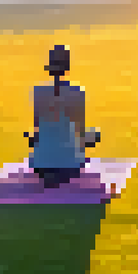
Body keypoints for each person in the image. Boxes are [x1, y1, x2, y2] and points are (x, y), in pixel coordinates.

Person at [27, 44, 102, 187]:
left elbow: (37, 128)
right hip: (70, 165)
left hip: (41, 165)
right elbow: (80, 132)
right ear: (67, 67)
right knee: (94, 134)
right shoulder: (78, 92)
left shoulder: (38, 91)